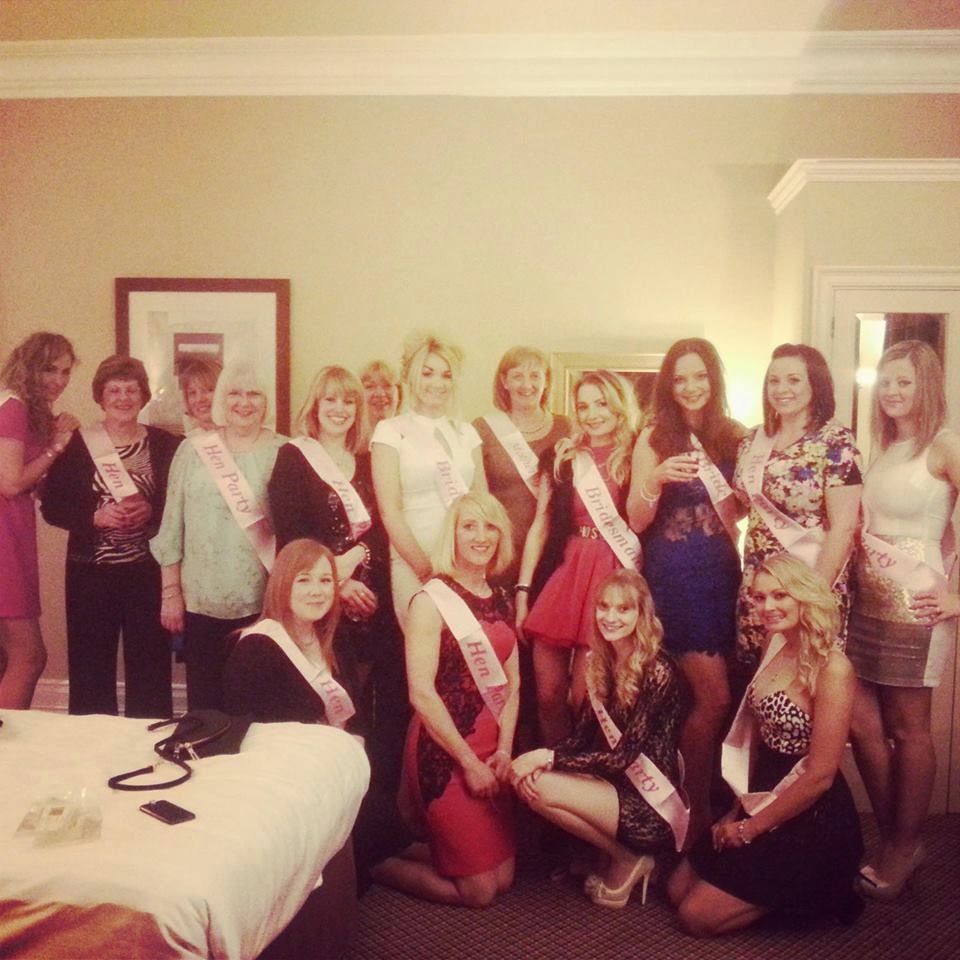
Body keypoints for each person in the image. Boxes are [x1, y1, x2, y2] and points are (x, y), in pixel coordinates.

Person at [669, 552, 863, 936]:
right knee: (676, 889)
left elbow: (820, 776)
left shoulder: (834, 668)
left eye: (780, 595)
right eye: (759, 598)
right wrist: (736, 810)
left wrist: (749, 830)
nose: (767, 607)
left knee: (695, 917)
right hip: (763, 789)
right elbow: (756, 740)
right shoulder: (773, 642)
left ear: (803, 595)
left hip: (810, 812)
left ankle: (818, 892)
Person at [847, 340, 960, 900]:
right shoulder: (887, 447)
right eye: (885, 381)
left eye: (904, 382)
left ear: (927, 386)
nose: (892, 391)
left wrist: (959, 596)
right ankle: (896, 834)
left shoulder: (945, 445)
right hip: (867, 603)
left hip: (916, 604)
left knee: (909, 729)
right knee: (863, 722)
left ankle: (903, 843)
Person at [371, 491, 520, 908]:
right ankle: (373, 864)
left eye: (490, 527)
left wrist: (505, 750)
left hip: (492, 749)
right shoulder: (430, 601)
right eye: (469, 526)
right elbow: (420, 692)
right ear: (452, 535)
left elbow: (514, 685)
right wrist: (469, 763)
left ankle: (443, 848)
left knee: (505, 879)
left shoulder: (501, 597)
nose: (481, 536)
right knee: (481, 892)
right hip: (444, 752)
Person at [627, 338, 745, 843]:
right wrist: (655, 478)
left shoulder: (734, 435)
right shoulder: (655, 437)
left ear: (714, 379)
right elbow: (637, 518)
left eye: (700, 376)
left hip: (724, 574)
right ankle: (695, 807)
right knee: (714, 698)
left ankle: (710, 793)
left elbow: (744, 508)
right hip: (676, 577)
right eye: (680, 379)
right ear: (668, 386)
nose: (691, 387)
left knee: (723, 696)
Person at [510, 569, 683, 909]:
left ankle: (629, 857)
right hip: (617, 787)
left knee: (539, 783)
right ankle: (623, 854)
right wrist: (543, 761)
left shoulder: (658, 670)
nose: (611, 617)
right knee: (531, 785)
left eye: (624, 608)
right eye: (604, 606)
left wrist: (545, 758)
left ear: (642, 614)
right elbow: (579, 739)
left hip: (650, 804)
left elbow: (622, 758)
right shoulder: (603, 662)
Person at [268, 365, 406, 787]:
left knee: (385, 701)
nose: (339, 409)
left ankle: (379, 798)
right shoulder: (293, 457)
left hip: (376, 596)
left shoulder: (368, 459)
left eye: (348, 401)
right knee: (336, 699)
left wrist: (361, 554)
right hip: (318, 599)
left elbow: (384, 525)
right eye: (330, 399)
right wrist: (338, 581)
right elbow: (291, 534)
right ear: (315, 404)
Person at [41, 355, 180, 717]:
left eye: (131, 390)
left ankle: (148, 742)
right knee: (90, 670)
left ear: (143, 396)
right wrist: (94, 517)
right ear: (100, 397)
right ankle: (93, 746)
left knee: (150, 670)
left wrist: (151, 511)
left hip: (148, 574)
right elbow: (52, 506)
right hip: (90, 575)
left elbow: (180, 505)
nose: (123, 398)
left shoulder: (166, 445)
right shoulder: (76, 445)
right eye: (114, 390)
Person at [152, 360, 285, 710]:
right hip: (200, 601)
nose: (244, 402)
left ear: (267, 401)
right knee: (205, 706)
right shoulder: (193, 450)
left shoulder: (283, 452)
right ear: (222, 399)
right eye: (235, 393)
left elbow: (294, 530)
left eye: (254, 394)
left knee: (254, 705)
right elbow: (171, 526)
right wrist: (170, 593)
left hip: (262, 602)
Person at [516, 370, 640, 744]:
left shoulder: (637, 455)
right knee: (548, 695)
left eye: (601, 404)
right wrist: (523, 591)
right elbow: (541, 525)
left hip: (611, 574)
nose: (592, 414)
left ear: (619, 407)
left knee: (586, 698)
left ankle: (585, 769)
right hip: (565, 572)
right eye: (583, 406)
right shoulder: (562, 457)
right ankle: (554, 764)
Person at [733, 343, 862, 681]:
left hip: (811, 579)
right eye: (774, 381)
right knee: (763, 683)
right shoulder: (752, 440)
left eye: (793, 379)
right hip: (761, 583)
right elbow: (741, 505)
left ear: (815, 384)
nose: (782, 389)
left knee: (808, 682)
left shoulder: (835, 441)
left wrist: (812, 596)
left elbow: (844, 526)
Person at [371, 334, 486, 627]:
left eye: (446, 375)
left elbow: (482, 504)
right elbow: (389, 510)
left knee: (468, 646)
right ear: (411, 376)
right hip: (414, 563)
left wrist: (475, 561)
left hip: (467, 562)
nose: (438, 383)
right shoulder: (390, 431)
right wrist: (425, 570)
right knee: (424, 644)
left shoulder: (467, 433)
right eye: (427, 373)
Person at [0, 332, 78, 708]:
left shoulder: (28, 410)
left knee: (9, 656)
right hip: (4, 538)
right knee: (29, 655)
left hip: (14, 531)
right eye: (50, 369)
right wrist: (57, 445)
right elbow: (11, 482)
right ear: (29, 367)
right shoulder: (13, 406)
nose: (59, 380)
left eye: (65, 371)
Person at [222, 538, 356, 726]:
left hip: (337, 743)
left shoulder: (336, 638)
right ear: (282, 585)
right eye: (304, 580)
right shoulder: (255, 649)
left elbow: (357, 717)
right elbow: (246, 726)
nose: (316, 591)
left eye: (325, 580)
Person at [473, 346, 571, 587]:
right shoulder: (483, 428)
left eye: (535, 375)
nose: (527, 385)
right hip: (501, 550)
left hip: (554, 550)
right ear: (504, 381)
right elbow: (478, 499)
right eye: (517, 376)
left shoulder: (566, 427)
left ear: (546, 381)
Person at [358, 359, 401, 447]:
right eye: (370, 386)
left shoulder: (411, 440)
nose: (380, 393)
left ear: (399, 394)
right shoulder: (347, 443)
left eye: (387, 385)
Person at [178, 355, 222, 434]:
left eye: (208, 390)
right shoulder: (190, 439)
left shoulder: (239, 437)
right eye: (192, 393)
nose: (199, 399)